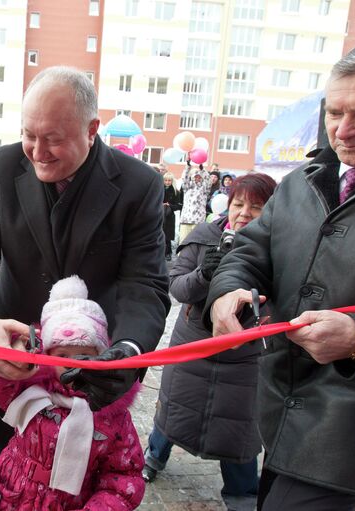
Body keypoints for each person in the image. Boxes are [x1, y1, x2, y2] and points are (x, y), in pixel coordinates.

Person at [205, 37, 355, 510]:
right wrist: (227, 292)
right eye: (334, 112)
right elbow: (248, 253)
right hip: (278, 413)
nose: (342, 131)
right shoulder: (305, 182)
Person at [0, 66, 170, 464]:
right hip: (12, 366)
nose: (37, 151)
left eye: (53, 139)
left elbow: (145, 284)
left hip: (93, 372)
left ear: (91, 129)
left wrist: (126, 353)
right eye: (29, 135)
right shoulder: (0, 166)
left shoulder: (138, 184)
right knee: (8, 474)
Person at [143, 174, 277, 511]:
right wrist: (204, 275)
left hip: (244, 354)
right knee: (174, 409)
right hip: (193, 347)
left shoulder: (280, 247)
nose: (244, 213)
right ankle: (153, 457)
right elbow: (177, 288)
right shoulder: (204, 238)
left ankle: (242, 492)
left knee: (240, 426)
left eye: (256, 207)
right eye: (238, 204)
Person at [0, 276, 145, 510]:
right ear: (48, 356)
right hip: (11, 495)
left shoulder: (112, 416)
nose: (73, 364)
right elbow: (0, 385)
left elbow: (124, 477)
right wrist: (10, 360)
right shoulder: (33, 390)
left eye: (84, 355)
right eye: (62, 356)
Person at [179, 162, 211, 242]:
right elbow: (184, 178)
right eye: (195, 176)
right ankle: (181, 254)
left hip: (198, 221)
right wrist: (188, 165)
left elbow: (208, 180)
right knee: (183, 241)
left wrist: (202, 169)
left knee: (195, 242)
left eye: (199, 177)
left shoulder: (204, 189)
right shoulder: (187, 187)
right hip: (186, 220)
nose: (197, 178)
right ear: (192, 177)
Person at [162, 172, 182, 261]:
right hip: (160, 214)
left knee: (167, 236)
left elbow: (178, 205)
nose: (167, 182)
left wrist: (169, 205)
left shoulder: (175, 192)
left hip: (169, 216)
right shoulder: (159, 189)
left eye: (169, 180)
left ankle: (168, 253)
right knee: (159, 233)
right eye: (165, 180)